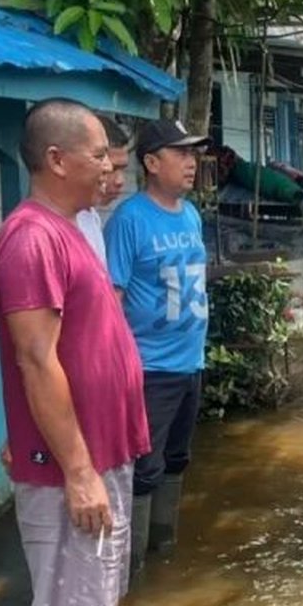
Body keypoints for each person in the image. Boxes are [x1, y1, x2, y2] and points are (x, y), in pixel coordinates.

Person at [0, 98, 149, 606]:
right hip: (74, 469)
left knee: (95, 602)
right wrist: (79, 471)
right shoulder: (33, 238)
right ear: (57, 160)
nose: (109, 167)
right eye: (100, 155)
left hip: (101, 452)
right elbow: (36, 360)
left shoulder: (74, 226)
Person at [104, 118, 210, 578]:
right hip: (149, 369)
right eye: (181, 153)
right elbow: (112, 301)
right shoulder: (129, 220)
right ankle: (132, 576)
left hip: (191, 363)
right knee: (144, 470)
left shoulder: (190, 215)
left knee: (177, 459)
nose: (192, 163)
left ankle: (163, 552)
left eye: (193, 154)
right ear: (151, 163)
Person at [76, 114, 133, 264]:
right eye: (112, 168)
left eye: (123, 169)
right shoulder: (39, 230)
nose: (120, 181)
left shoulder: (91, 215)